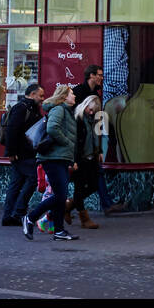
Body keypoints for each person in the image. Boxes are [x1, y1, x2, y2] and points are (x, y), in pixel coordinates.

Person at [23, 85, 79, 242]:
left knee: (60, 196)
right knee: (60, 195)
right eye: (72, 94)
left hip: (59, 158)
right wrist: (66, 142)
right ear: (64, 96)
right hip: (51, 159)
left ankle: (59, 231)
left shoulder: (65, 111)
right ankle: (30, 218)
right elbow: (53, 128)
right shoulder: (59, 109)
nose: (74, 96)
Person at [72, 65, 125, 215]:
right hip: (80, 146)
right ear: (91, 76)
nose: (101, 78)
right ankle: (70, 206)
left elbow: (97, 123)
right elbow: (74, 119)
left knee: (96, 175)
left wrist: (99, 149)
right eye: (99, 75)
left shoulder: (95, 93)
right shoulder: (78, 92)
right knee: (84, 180)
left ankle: (74, 206)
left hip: (91, 145)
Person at [1, 83, 45, 227]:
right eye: (41, 95)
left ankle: (9, 216)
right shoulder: (21, 108)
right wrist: (11, 152)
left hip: (25, 153)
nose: (43, 99)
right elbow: (11, 131)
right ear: (32, 94)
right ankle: (18, 213)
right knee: (33, 179)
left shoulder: (32, 108)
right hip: (22, 154)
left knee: (16, 183)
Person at [67, 95, 102, 230]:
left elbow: (95, 136)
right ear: (85, 105)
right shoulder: (78, 119)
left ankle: (69, 206)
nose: (92, 112)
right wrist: (74, 160)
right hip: (80, 159)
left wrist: (98, 151)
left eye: (94, 110)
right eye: (90, 109)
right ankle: (84, 219)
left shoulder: (93, 119)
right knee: (79, 187)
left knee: (93, 185)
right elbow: (74, 142)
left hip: (91, 158)